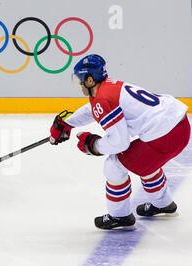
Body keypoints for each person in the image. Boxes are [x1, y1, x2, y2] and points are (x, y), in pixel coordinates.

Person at [49, 54, 190, 230]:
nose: (79, 84)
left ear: (90, 80)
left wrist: (92, 145)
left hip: (165, 136)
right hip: (180, 126)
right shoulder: (109, 86)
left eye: (80, 79)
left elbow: (120, 143)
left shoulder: (102, 98)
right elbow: (93, 108)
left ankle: (119, 216)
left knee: (115, 164)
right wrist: (68, 123)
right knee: (143, 160)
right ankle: (163, 203)